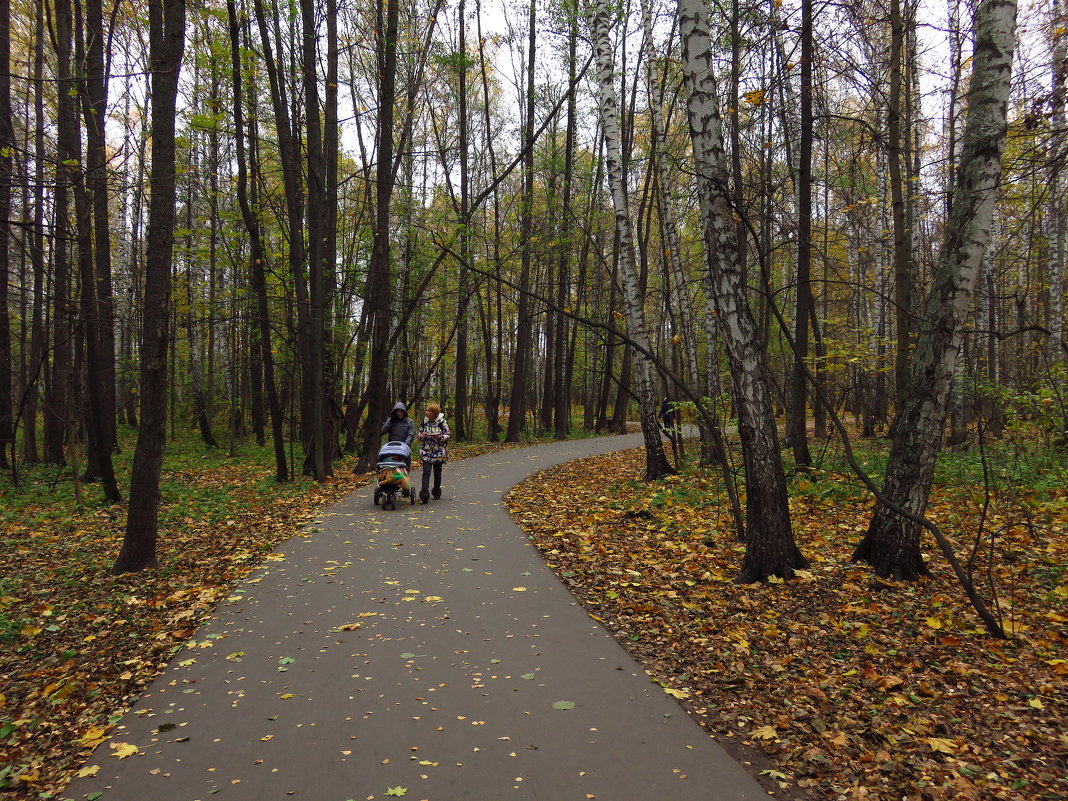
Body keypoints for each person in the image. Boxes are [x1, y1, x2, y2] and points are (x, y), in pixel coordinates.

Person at [417, 403, 450, 503]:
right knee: (426, 472)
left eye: (429, 411)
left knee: (437, 473)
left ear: (434, 413)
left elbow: (447, 434)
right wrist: (422, 435)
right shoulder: (424, 422)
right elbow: (419, 434)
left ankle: (436, 491)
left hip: (438, 452)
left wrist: (439, 437)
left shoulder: (442, 422)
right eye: (426, 410)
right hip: (426, 451)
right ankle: (424, 493)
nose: (426, 412)